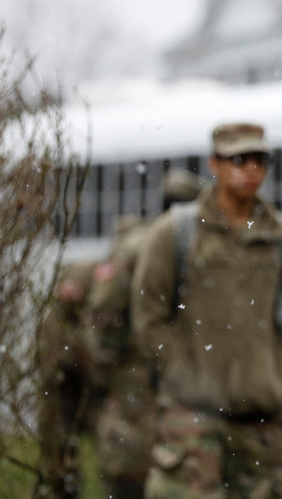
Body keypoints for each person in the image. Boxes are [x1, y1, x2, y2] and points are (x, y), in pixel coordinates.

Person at [131, 123, 282, 499]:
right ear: (215, 163)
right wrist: (183, 375)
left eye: (260, 160)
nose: (251, 169)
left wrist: (280, 377)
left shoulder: (281, 237)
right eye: (239, 159)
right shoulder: (176, 232)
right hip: (192, 417)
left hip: (259, 419)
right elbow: (149, 313)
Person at [84, 168, 202, 499]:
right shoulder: (148, 248)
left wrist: (106, 365)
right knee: (140, 470)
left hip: (158, 377)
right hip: (150, 376)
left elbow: (102, 313)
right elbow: (103, 313)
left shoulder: (155, 247)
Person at [37, 260, 103, 499]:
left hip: (84, 396)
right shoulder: (58, 322)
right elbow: (53, 362)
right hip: (61, 397)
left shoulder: (89, 312)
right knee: (60, 464)